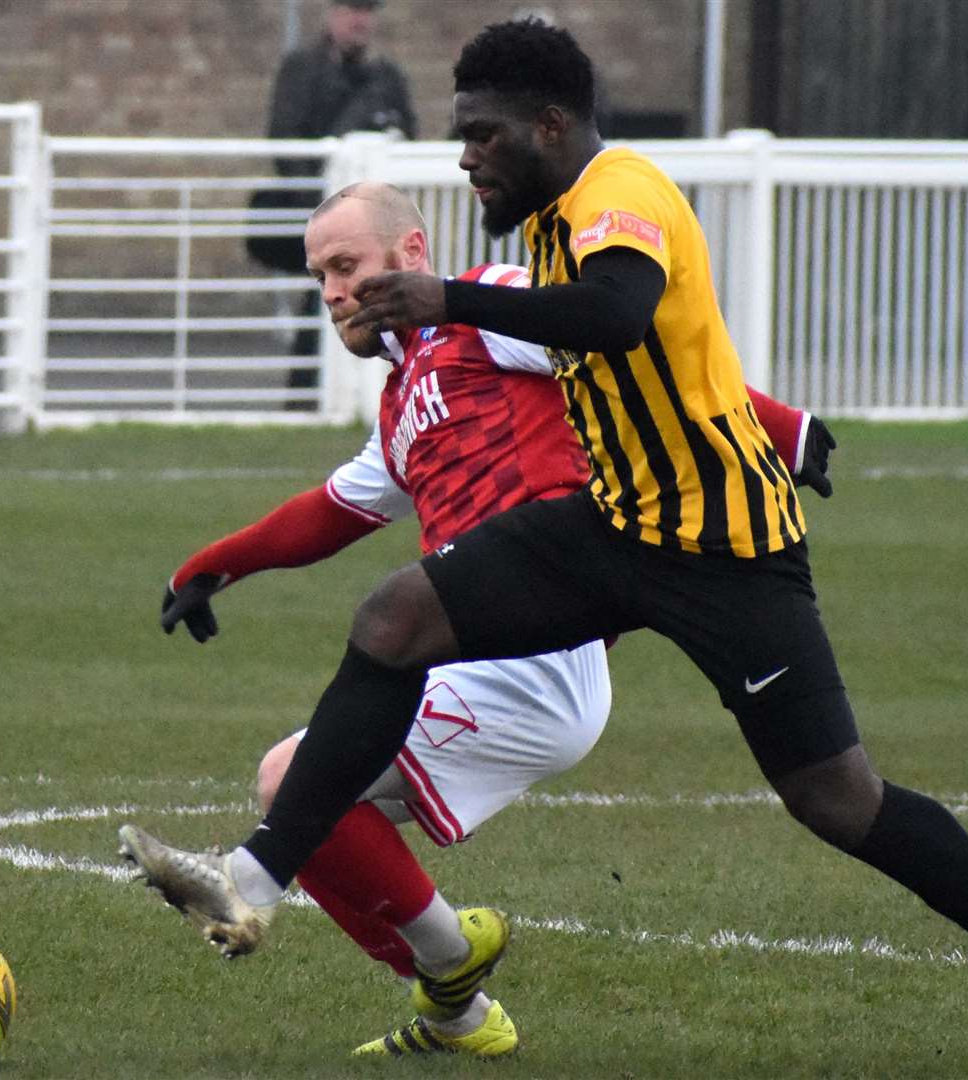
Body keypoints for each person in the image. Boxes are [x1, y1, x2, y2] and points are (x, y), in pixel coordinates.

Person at [121, 20, 968, 1080]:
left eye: (482, 136)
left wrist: (452, 301)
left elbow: (620, 316)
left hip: (726, 548)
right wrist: (216, 559)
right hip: (615, 524)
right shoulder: (547, 231)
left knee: (837, 800)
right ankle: (254, 881)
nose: (466, 159)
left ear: (549, 126)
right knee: (392, 621)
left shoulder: (618, 196)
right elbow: (640, 357)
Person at [122, 180, 833, 1058]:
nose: (335, 291)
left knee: (292, 785)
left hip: (538, 655)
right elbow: (328, 513)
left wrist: (783, 427)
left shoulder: (486, 308)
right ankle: (456, 1007)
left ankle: (441, 961)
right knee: (298, 785)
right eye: (320, 277)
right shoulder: (399, 404)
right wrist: (211, 566)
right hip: (477, 644)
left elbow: (633, 355)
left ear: (412, 256)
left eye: (347, 265)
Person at [250, 0, 417, 402]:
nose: (359, 20)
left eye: (367, 11)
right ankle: (309, 394)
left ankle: (372, 394)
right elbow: (285, 142)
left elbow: (408, 137)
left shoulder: (387, 77)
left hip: (375, 223)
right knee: (326, 299)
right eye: (350, 9)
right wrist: (326, 209)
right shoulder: (303, 70)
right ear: (332, 14)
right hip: (317, 213)